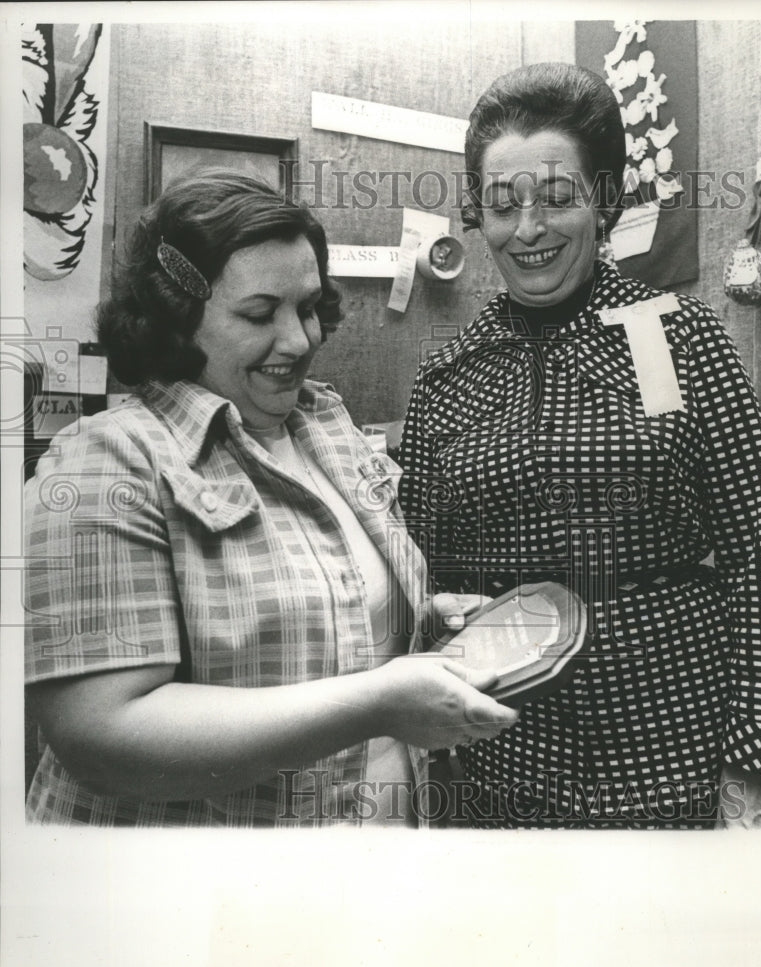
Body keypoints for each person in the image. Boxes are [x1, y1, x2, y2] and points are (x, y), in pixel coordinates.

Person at [24, 168, 517, 827]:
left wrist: (422, 620)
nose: (300, 339)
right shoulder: (108, 461)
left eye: (309, 307)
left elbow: (326, 621)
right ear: (176, 321)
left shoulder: (324, 426)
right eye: (259, 314)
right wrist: (375, 702)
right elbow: (101, 734)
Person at [397, 63, 761, 829]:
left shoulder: (677, 339)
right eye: (501, 207)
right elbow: (418, 578)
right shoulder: (448, 374)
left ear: (602, 200)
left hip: (672, 758)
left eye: (556, 199)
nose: (527, 230)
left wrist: (756, 756)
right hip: (502, 763)